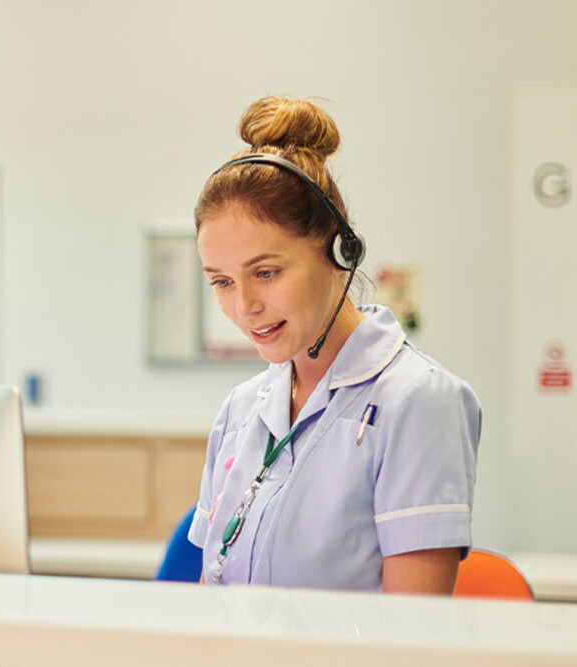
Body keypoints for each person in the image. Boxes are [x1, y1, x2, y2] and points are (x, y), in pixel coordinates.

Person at [187, 97, 481, 593]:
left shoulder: (419, 402)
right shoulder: (240, 411)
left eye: (266, 272)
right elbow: (209, 595)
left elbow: (411, 639)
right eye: (221, 282)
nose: (244, 306)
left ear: (337, 248)